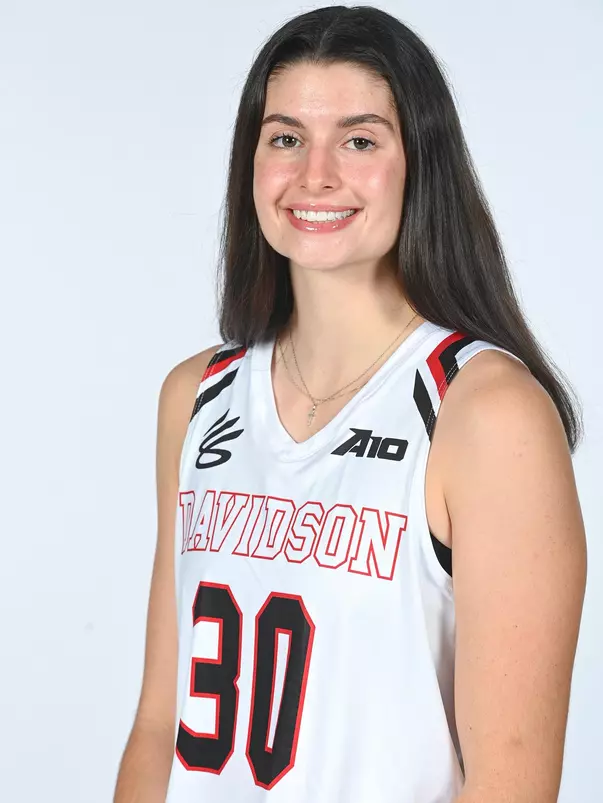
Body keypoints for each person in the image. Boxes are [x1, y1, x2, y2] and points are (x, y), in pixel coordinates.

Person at [113, 6, 587, 803]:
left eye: (360, 139)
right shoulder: (195, 397)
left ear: (418, 164)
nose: (315, 175)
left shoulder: (484, 413)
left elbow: (510, 781)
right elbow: (160, 721)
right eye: (286, 137)